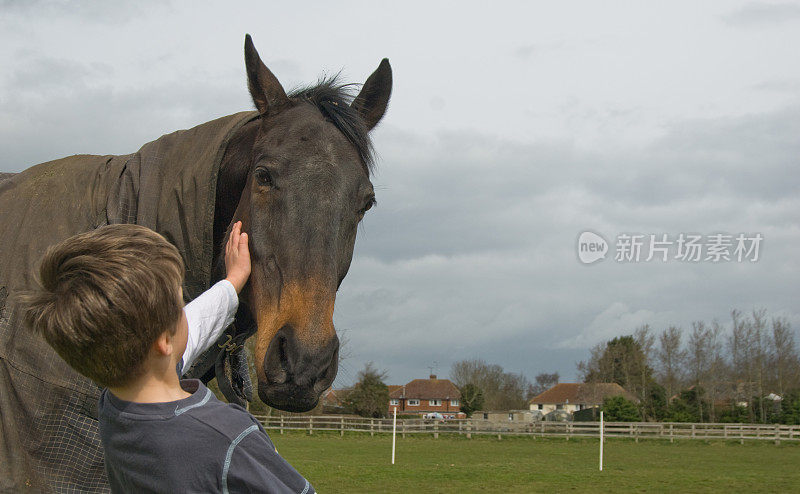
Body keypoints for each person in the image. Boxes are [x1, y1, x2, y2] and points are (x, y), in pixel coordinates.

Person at [21, 221, 314, 493]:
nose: (186, 308)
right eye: (179, 301)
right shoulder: (227, 438)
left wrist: (233, 281)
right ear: (163, 339)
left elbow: (186, 330)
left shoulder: (116, 406)